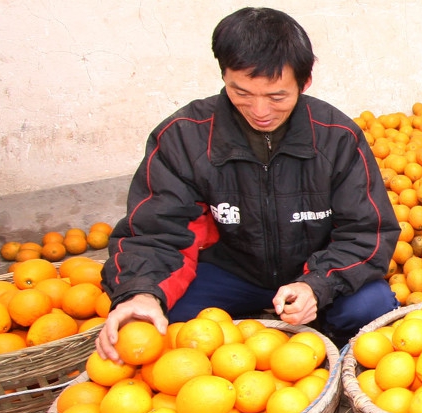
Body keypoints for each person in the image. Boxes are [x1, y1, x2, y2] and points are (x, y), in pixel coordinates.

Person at [97, 7, 400, 361]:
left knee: (372, 305)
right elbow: (156, 231)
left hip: (311, 267)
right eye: (241, 92)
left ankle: (323, 337)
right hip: (229, 272)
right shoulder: (184, 137)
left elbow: (366, 232)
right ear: (224, 75)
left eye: (276, 97)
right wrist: (141, 293)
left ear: (304, 83)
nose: (259, 110)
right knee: (157, 322)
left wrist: (317, 284)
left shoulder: (337, 138)